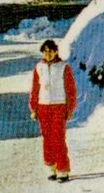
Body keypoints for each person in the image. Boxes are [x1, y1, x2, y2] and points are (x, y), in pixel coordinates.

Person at [29, 39, 77, 181]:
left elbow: (71, 89)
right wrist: (34, 108)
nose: (48, 54)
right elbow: (35, 89)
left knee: (58, 138)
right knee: (47, 138)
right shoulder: (39, 67)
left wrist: (70, 108)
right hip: (43, 107)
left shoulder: (63, 67)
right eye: (45, 52)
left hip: (59, 105)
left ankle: (62, 168)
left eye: (50, 51)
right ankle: (52, 166)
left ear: (56, 51)